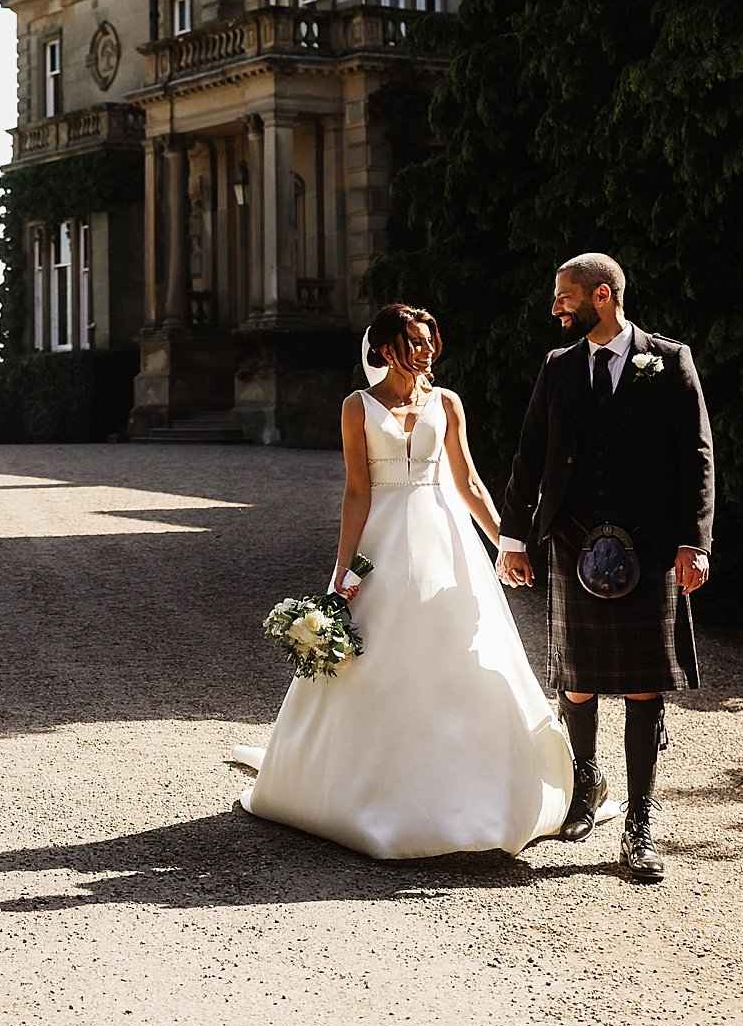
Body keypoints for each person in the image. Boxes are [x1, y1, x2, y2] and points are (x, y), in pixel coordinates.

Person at [231, 304, 573, 858]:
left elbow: (468, 481)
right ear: (386, 349)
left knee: (460, 657)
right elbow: (357, 492)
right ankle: (364, 791)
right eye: (414, 341)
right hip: (384, 546)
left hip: (445, 539)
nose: (426, 350)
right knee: (377, 662)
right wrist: (341, 573)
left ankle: (474, 789)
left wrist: (508, 543)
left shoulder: (447, 402)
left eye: (429, 340)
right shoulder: (357, 407)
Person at [498, 253, 715, 883]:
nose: (556, 308)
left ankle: (640, 825)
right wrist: (513, 536)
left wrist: (694, 542)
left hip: (648, 548)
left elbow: (697, 458)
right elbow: (530, 452)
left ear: (602, 295)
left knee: (646, 684)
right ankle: (585, 790)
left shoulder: (669, 361)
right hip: (573, 541)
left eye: (565, 297)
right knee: (579, 680)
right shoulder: (559, 368)